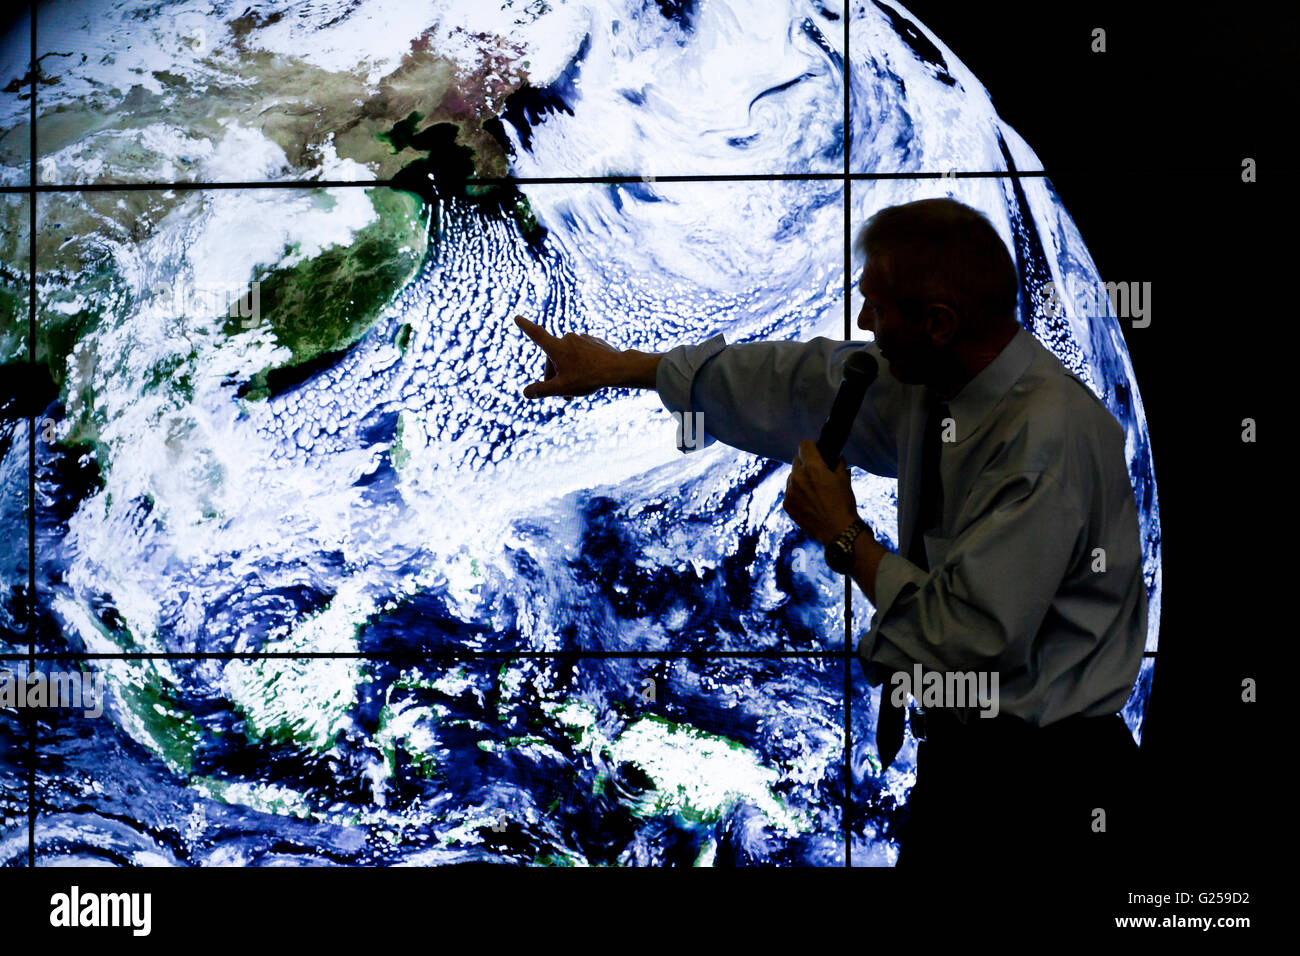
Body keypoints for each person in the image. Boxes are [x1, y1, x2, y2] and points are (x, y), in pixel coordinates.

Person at [515, 197, 1146, 870]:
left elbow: (968, 639)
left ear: (938, 323)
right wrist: (628, 369)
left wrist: (845, 537)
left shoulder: (1046, 441)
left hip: (1047, 789)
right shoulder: (943, 384)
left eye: (878, 307)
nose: (865, 324)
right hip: (971, 763)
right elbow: (795, 385)